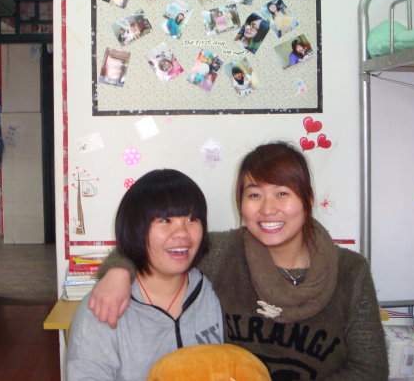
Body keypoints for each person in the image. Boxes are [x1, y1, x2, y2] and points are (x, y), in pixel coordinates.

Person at [89, 142, 389, 380]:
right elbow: (159, 246)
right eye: (255, 195)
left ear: (307, 200)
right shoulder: (225, 252)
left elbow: (370, 370)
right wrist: (118, 271)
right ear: (241, 204)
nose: (268, 209)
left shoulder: (351, 271)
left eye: (282, 193)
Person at [67, 169, 223, 381]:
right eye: (165, 220)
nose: (182, 233)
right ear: (136, 228)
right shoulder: (104, 306)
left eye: (192, 219)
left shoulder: (215, 290)